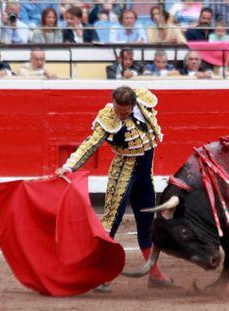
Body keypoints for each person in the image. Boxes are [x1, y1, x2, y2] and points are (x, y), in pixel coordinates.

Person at [55, 86, 174, 291]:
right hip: (123, 173)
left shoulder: (144, 103)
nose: (120, 115)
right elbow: (90, 144)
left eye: (124, 112)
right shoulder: (108, 117)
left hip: (145, 174)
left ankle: (154, 275)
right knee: (111, 223)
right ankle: (100, 275)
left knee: (147, 224)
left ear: (134, 105)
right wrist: (69, 166)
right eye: (118, 110)